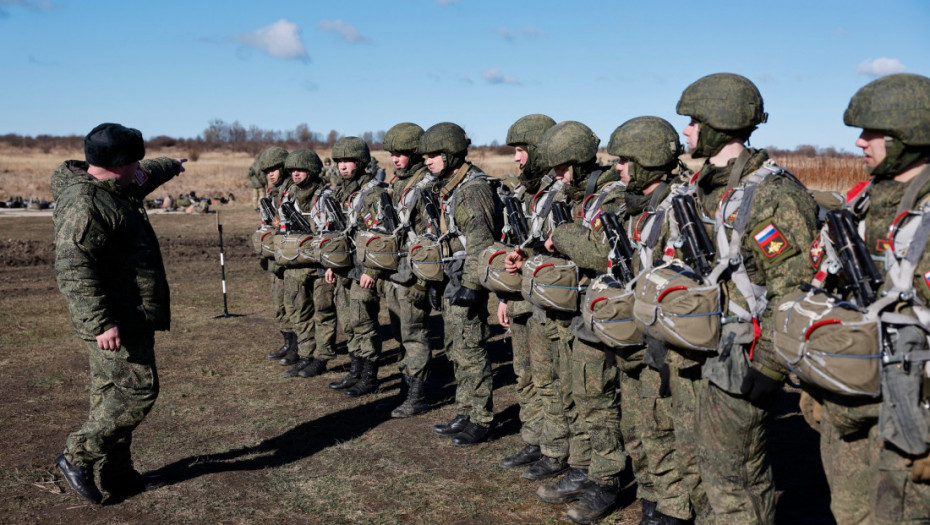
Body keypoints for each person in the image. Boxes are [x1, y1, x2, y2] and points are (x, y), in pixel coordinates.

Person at [675, 73, 819, 523]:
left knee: (736, 479)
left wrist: (771, 364)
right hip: (702, 342)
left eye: (694, 121)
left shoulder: (771, 194)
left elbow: (794, 288)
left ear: (720, 123)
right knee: (705, 467)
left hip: (744, 352)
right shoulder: (707, 187)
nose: (686, 130)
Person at [799, 73, 930, 524]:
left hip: (913, 411)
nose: (859, 143)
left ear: (908, 134)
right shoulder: (864, 204)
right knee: (850, 512)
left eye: (872, 132)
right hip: (852, 392)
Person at [51, 123, 186, 503]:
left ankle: (119, 473)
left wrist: (173, 164)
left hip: (130, 314)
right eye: (135, 160)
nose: (139, 167)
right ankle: (76, 457)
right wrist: (100, 322)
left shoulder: (118, 186)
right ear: (119, 163)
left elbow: (149, 174)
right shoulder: (86, 203)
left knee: (109, 393)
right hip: (114, 319)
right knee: (139, 390)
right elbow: (74, 268)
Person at [539, 121, 628, 524]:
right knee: (579, 393)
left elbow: (599, 253)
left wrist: (562, 235)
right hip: (581, 308)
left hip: (606, 312)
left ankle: (607, 478)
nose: (556, 176)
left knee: (598, 398)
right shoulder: (583, 195)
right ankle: (584, 465)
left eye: (561, 168)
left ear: (578, 162)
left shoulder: (610, 197)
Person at [607, 116, 695, 525]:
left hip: (665, 336)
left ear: (647, 161)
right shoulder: (637, 208)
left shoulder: (678, 207)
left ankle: (673, 508)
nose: (618, 168)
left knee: (662, 425)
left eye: (625, 161)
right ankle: (651, 496)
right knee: (637, 425)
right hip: (635, 333)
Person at [421, 122, 501, 446]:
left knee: (471, 348)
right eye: (425, 155)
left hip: (466, 280)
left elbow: (481, 239)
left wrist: (471, 284)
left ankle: (481, 418)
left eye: (434, 154)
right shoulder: (449, 186)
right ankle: (465, 410)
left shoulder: (472, 188)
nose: (427, 160)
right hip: (451, 278)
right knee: (455, 348)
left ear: (451, 153)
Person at [496, 114, 555, 469]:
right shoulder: (522, 193)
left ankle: (555, 447)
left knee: (549, 379)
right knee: (525, 373)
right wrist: (503, 296)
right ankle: (533, 438)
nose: (517, 158)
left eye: (521, 150)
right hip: (520, 297)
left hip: (547, 302)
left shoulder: (557, 195)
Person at [324, 136, 386, 397]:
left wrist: (372, 270)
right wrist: (330, 265)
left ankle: (369, 378)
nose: (343, 166)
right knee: (348, 322)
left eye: (348, 161)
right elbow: (337, 231)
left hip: (363, 267)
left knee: (364, 321)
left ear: (361, 162)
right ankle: (355, 371)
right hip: (344, 266)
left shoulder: (375, 193)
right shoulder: (341, 191)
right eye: (339, 161)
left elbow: (382, 234)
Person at [380, 122, 434, 417]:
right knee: (401, 334)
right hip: (394, 271)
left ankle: (418, 394)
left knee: (414, 334)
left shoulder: (424, 186)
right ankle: (407, 385)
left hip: (414, 274)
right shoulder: (397, 183)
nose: (395, 159)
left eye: (401, 153)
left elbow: (430, 235)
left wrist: (423, 281)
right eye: (392, 153)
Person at [279, 149, 337, 379]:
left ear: (312, 170)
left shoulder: (327, 196)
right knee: (299, 312)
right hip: (295, 265)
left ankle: (322, 357)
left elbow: (336, 233)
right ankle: (305, 355)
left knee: (323, 312)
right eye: (292, 170)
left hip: (321, 265)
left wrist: (332, 264)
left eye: (300, 169)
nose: (295, 174)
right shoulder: (288, 196)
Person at [258, 146, 298, 366]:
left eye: (274, 169)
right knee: (279, 303)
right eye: (267, 171)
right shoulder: (269, 193)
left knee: (293, 303)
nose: (271, 174)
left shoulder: (292, 190)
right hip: (274, 255)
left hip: (290, 254)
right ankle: (287, 341)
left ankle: (297, 346)